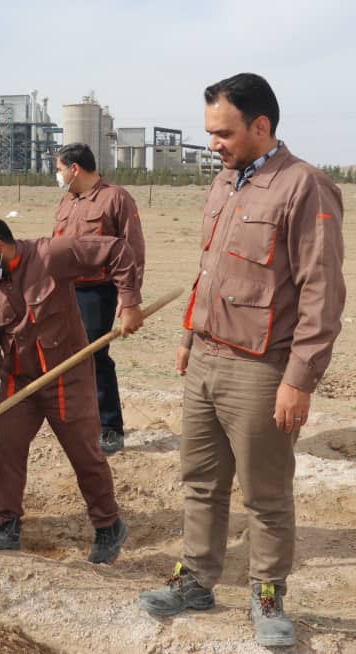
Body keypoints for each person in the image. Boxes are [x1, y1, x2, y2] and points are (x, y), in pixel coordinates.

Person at [138, 73, 345, 649]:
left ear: (261, 125)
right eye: (210, 133)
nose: (213, 144)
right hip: (205, 358)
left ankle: (267, 594)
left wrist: (298, 380)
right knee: (200, 481)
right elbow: (211, 271)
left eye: (223, 133)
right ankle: (196, 579)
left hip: (260, 370)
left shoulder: (304, 187)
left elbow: (322, 293)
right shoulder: (228, 181)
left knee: (265, 492)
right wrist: (187, 337)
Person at [0, 214, 144, 563]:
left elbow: (118, 251)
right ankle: (6, 525)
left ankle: (108, 525)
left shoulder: (51, 254)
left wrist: (129, 302)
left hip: (66, 373)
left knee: (84, 454)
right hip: (19, 380)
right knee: (6, 447)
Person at [52, 142, 146, 454]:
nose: (58, 175)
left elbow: (132, 248)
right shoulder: (68, 200)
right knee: (67, 356)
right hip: (65, 290)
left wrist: (129, 297)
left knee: (94, 357)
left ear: (74, 168)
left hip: (98, 291)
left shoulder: (115, 197)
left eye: (59, 169)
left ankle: (110, 428)